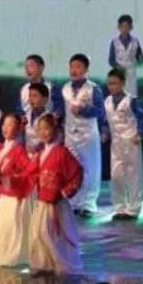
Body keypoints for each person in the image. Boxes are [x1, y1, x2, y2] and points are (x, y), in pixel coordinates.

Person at [26, 114, 84, 273]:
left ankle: (58, 264)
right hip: (42, 201)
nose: (43, 132)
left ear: (55, 130)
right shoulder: (39, 153)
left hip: (57, 203)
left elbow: (77, 172)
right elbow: (30, 173)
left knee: (55, 235)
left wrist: (64, 192)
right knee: (39, 233)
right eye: (39, 129)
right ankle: (43, 264)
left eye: (46, 128)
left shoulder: (62, 152)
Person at [0, 113, 33, 267]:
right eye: (4, 124)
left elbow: (30, 170)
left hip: (15, 196)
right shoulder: (0, 148)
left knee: (12, 226)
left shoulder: (19, 151)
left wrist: (15, 178)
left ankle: (14, 254)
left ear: (18, 129)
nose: (5, 128)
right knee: (2, 225)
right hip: (4, 195)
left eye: (10, 125)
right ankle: (1, 252)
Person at [62, 54, 105, 218]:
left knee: (90, 168)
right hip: (70, 133)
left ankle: (88, 203)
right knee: (72, 167)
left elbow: (100, 111)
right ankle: (74, 201)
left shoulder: (93, 88)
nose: (74, 70)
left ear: (86, 69)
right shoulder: (65, 88)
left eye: (78, 67)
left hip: (88, 134)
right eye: (72, 66)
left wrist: (83, 110)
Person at [102, 68, 143, 221]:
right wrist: (104, 132)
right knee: (116, 176)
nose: (111, 86)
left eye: (115, 83)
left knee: (133, 176)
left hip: (131, 142)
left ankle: (133, 209)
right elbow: (105, 121)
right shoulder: (107, 101)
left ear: (122, 83)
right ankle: (119, 207)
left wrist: (139, 134)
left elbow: (142, 119)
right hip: (116, 144)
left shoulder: (131, 100)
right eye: (109, 83)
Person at [16, 54, 64, 121]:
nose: (27, 70)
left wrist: (56, 116)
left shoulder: (51, 88)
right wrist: (21, 116)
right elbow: (19, 109)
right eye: (26, 67)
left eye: (31, 66)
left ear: (41, 68)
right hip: (28, 125)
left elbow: (59, 109)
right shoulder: (23, 89)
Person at [109, 14, 143, 97]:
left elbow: (139, 55)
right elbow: (111, 60)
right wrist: (118, 66)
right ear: (118, 27)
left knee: (131, 96)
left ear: (131, 27)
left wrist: (141, 58)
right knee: (118, 94)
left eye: (127, 27)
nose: (124, 29)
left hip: (131, 72)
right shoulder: (114, 42)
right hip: (119, 73)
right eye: (122, 26)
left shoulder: (135, 41)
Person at [24, 82, 52, 156]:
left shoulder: (49, 118)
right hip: (27, 154)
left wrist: (38, 148)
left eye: (35, 96)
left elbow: (50, 140)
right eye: (30, 96)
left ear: (45, 99)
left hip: (43, 154)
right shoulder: (26, 115)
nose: (31, 99)